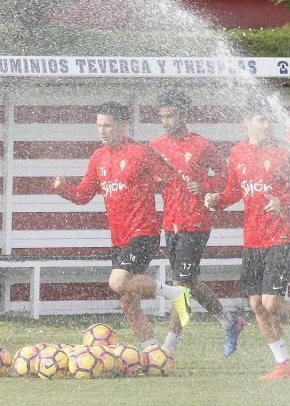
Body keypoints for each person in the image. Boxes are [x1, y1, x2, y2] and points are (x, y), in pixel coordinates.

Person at [52, 101, 192, 348]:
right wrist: (63, 190)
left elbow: (173, 180)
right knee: (127, 300)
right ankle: (152, 351)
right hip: (119, 238)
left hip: (144, 232)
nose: (102, 131)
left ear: (122, 125)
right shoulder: (98, 157)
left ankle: (177, 294)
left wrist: (176, 215)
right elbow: (84, 195)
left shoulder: (140, 153)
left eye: (107, 125)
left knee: (117, 282)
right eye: (98, 125)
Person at [205, 102, 290, 380]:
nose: (267, 125)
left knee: (271, 302)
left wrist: (282, 201)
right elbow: (234, 190)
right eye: (261, 120)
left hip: (282, 234)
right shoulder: (237, 152)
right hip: (253, 237)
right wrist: (216, 201)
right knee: (257, 304)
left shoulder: (284, 153)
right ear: (247, 121)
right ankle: (284, 363)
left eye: (270, 120)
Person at [150, 89, 246, 357]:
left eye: (171, 116)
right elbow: (149, 177)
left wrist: (204, 186)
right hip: (170, 224)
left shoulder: (201, 145)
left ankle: (168, 347)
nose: (166, 121)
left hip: (196, 222)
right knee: (189, 282)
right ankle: (229, 321)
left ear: (184, 115)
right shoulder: (156, 146)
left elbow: (227, 177)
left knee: (180, 284)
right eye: (162, 116)